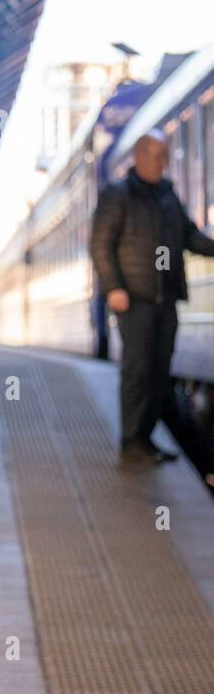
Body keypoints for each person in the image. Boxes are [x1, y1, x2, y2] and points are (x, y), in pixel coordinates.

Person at [89, 130, 214, 466]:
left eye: (165, 156)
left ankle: (144, 440)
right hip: (134, 298)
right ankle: (131, 442)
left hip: (166, 298)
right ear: (140, 157)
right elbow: (100, 244)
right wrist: (113, 287)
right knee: (138, 370)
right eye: (157, 156)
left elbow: (191, 237)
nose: (163, 163)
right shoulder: (118, 196)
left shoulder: (168, 197)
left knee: (160, 371)